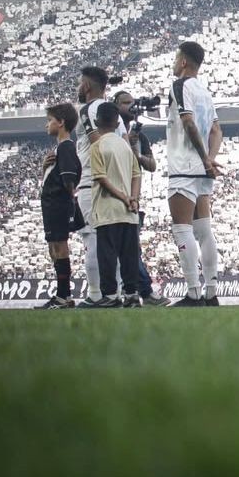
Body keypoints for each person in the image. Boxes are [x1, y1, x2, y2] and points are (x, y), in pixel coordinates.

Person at [166, 41, 224, 307]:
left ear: (184, 62)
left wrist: (203, 159)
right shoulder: (204, 90)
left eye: (177, 57)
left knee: (182, 229)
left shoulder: (181, 86)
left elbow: (188, 121)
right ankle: (211, 292)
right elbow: (216, 131)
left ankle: (192, 292)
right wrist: (210, 160)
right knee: (204, 230)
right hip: (202, 168)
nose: (174, 62)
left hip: (184, 165)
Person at [68, 66, 126, 306]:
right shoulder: (115, 115)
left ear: (87, 86)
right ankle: (116, 294)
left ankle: (94, 295)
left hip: (93, 180)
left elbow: (96, 142)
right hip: (115, 179)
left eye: (80, 83)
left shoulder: (88, 110)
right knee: (113, 240)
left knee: (91, 237)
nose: (78, 88)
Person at [113, 90, 166, 306]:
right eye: (125, 103)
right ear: (115, 105)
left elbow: (152, 165)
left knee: (130, 249)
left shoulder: (139, 135)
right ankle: (138, 291)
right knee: (126, 249)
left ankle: (138, 291)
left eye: (132, 103)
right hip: (116, 193)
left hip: (133, 196)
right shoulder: (111, 132)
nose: (130, 107)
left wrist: (137, 154)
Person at [89, 102, 142, 307]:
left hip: (108, 209)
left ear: (96, 121)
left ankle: (111, 295)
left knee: (108, 255)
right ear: (118, 121)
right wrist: (133, 199)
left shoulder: (97, 146)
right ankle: (131, 294)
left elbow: (101, 178)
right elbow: (137, 175)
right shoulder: (124, 145)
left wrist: (122, 197)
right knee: (129, 255)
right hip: (129, 211)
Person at [35, 103, 82, 309]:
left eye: (50, 120)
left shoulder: (66, 147)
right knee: (54, 248)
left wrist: (70, 201)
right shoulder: (59, 148)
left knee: (60, 248)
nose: (47, 125)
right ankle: (62, 295)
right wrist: (46, 168)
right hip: (52, 204)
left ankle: (64, 296)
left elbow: (69, 179)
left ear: (61, 122)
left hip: (58, 204)